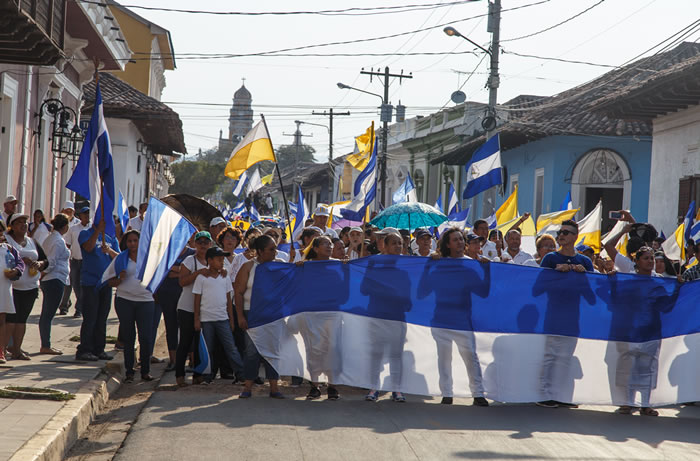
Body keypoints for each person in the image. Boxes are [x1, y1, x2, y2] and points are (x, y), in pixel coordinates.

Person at [426, 227, 489, 406]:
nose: (460, 242)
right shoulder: (439, 264)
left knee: (470, 356)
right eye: (455, 239)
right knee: (444, 359)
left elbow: (482, 292)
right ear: (447, 244)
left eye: (461, 239)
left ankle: (478, 394)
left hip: (463, 320)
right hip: (441, 319)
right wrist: (429, 264)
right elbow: (424, 290)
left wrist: (487, 270)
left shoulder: (471, 264)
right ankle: (447, 393)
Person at [536, 219, 594, 408]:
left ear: (576, 236)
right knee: (550, 355)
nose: (561, 235)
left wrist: (584, 276)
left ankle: (561, 395)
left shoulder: (584, 261)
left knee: (566, 357)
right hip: (552, 314)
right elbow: (537, 288)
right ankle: (543, 394)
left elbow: (591, 297)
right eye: (560, 232)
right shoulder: (550, 259)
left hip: (573, 317)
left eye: (566, 233)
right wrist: (553, 272)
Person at [613, 246, 662, 417]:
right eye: (646, 258)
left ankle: (646, 405)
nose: (650, 261)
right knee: (629, 368)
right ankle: (627, 403)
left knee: (647, 368)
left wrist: (677, 287)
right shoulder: (628, 281)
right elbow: (616, 299)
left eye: (652, 258)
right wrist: (612, 280)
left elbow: (668, 305)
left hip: (651, 331)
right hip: (631, 331)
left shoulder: (660, 282)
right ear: (637, 261)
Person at [235, 234, 285, 399]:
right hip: (252, 313)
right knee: (252, 352)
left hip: (273, 315)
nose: (275, 252)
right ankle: (247, 387)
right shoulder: (248, 267)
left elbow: (292, 281)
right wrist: (241, 316)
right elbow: (239, 293)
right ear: (261, 251)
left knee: (273, 350)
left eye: (275, 248)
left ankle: (274, 388)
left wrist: (297, 265)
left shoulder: (280, 265)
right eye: (271, 249)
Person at [364, 229, 408, 402]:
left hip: (398, 316)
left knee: (396, 354)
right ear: (385, 246)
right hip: (377, 315)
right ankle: (373, 388)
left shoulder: (405, 271)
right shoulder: (374, 265)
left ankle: (397, 390)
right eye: (394, 243)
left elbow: (409, 298)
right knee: (376, 354)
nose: (398, 246)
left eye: (400, 244)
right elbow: (364, 289)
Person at [297, 235, 342, 400]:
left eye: (330, 244)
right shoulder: (306, 267)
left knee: (333, 349)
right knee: (314, 349)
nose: (330, 246)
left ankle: (332, 386)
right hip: (313, 313)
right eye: (325, 244)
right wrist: (299, 268)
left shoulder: (338, 265)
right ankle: (314, 385)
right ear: (315, 248)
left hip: (333, 313)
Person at [107, 230, 155, 382]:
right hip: (125, 300)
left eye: (136, 241)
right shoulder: (121, 259)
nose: (133, 244)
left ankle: (145, 371)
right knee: (129, 337)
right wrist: (119, 279)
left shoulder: (150, 258)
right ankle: (129, 371)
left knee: (145, 337)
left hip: (146, 301)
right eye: (130, 241)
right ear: (125, 243)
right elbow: (109, 281)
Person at [193, 247, 244, 384]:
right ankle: (207, 376)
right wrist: (196, 319)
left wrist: (231, 320)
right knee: (208, 349)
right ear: (210, 260)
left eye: (222, 259)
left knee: (231, 348)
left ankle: (241, 375)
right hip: (206, 319)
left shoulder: (225, 276)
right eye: (219, 259)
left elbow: (229, 300)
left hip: (223, 319)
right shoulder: (201, 278)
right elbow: (197, 300)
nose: (222, 262)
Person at [5, 213, 48, 360]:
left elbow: (45, 260)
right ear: (11, 226)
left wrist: (40, 264)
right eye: (19, 222)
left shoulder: (32, 241)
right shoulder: (7, 240)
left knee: (22, 320)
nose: (23, 224)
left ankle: (17, 350)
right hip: (12, 286)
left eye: (25, 222)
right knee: (10, 321)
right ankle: (3, 351)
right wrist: (20, 260)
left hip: (30, 286)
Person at [76, 217, 119, 361]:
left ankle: (99, 349)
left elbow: (119, 258)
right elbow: (88, 248)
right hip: (90, 283)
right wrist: (97, 232)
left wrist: (110, 250)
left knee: (102, 318)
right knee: (90, 318)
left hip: (106, 283)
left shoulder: (111, 238)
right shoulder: (85, 234)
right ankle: (84, 350)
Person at [175, 231, 212, 386]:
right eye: (200, 242)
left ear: (210, 244)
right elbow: (182, 282)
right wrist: (198, 273)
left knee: (200, 343)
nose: (203, 245)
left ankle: (198, 375)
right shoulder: (190, 261)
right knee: (185, 342)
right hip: (187, 308)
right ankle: (179, 375)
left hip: (205, 308)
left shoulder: (213, 261)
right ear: (195, 244)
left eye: (206, 242)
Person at [38, 213, 71, 355]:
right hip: (54, 278)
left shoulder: (50, 238)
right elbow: (51, 262)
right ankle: (46, 345)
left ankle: (46, 343)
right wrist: (43, 274)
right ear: (65, 226)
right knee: (48, 314)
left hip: (52, 279)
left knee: (47, 313)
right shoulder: (57, 241)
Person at [0, 221, 24, 364]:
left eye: (1, 232)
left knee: (2, 320)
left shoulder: (7, 248)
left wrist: (15, 271)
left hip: (3, 288)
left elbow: (19, 263)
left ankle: (1, 351)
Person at [61, 207, 91, 317]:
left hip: (87, 261)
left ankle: (79, 309)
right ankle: (81, 306)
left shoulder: (92, 228)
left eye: (88, 214)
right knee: (76, 285)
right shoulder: (73, 229)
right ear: (80, 216)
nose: (86, 216)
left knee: (84, 286)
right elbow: (67, 245)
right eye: (84, 214)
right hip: (74, 260)